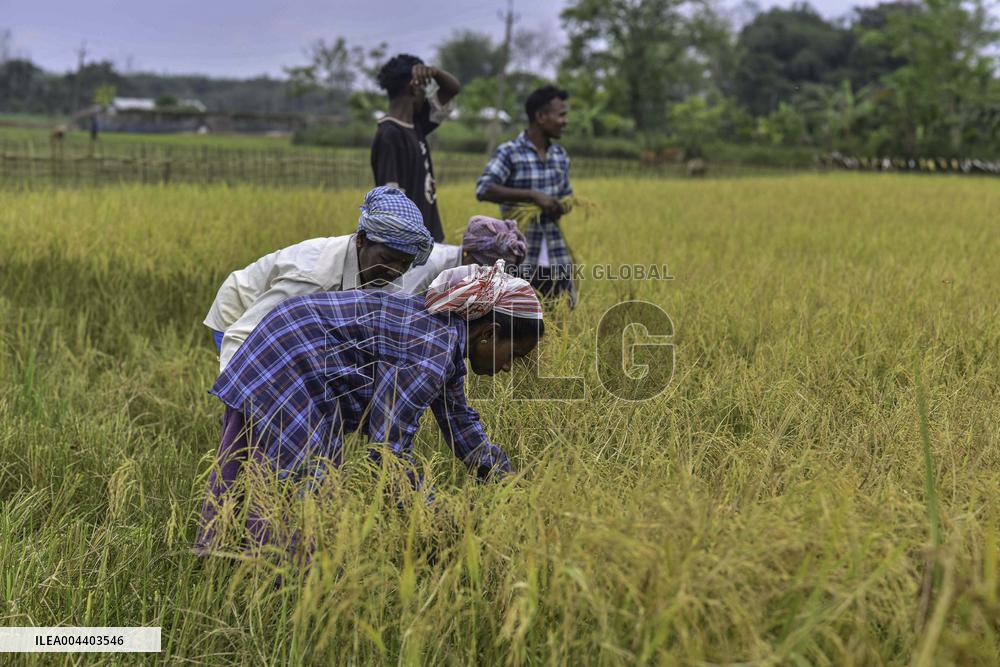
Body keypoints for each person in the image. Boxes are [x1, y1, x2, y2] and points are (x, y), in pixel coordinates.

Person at [195, 260, 545, 554]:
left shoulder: (444, 339)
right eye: (513, 356)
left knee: (242, 463)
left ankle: (220, 558)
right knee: (302, 492)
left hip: (278, 338)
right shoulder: (432, 354)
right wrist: (439, 516)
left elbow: (459, 422)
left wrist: (504, 479)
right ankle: (275, 584)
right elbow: (386, 453)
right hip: (299, 361)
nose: (507, 368)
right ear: (489, 333)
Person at [203, 186, 433, 371]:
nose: (394, 270)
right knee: (263, 394)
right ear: (361, 239)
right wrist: (237, 393)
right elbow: (243, 333)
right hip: (243, 311)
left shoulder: (384, 276)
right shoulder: (314, 276)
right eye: (387, 258)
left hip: (302, 322)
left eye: (405, 263)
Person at [475, 84, 576, 305]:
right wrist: (532, 196)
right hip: (519, 255)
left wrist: (560, 206)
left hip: (555, 255)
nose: (565, 121)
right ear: (541, 116)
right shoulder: (510, 151)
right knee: (519, 322)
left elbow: (568, 198)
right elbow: (484, 189)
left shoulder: (559, 155)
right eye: (561, 115)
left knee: (559, 318)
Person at [371, 54, 460, 243]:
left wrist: (435, 72)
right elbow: (391, 201)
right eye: (424, 88)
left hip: (429, 240)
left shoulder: (417, 124)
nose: (427, 94)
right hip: (410, 247)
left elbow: (452, 89)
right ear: (414, 86)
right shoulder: (390, 134)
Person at [393, 215, 527, 295]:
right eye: (483, 270)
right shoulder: (432, 264)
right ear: (469, 255)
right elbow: (398, 308)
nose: (487, 278)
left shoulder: (467, 274)